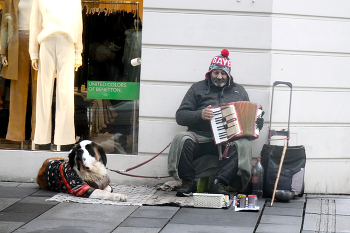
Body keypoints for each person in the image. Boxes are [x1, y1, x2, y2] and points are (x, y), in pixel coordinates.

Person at [169, 49, 264, 197]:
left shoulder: (239, 91)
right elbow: (180, 116)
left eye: (223, 73)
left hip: (228, 140)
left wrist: (257, 123)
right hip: (201, 137)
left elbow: (250, 123)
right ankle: (188, 182)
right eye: (216, 72)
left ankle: (219, 182)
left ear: (228, 74)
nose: (219, 77)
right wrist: (200, 115)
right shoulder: (197, 88)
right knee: (181, 139)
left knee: (244, 144)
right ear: (210, 73)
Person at [29, 0, 83, 148]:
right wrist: (33, 52)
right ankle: (41, 139)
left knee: (65, 93)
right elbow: (34, 24)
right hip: (46, 42)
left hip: (67, 42)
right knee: (43, 92)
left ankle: (64, 139)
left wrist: (78, 52)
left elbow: (78, 24)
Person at [0, 0, 37, 142]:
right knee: (17, 93)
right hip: (17, 43)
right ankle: (16, 135)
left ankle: (38, 136)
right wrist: (3, 52)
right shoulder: (11, 0)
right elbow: (4, 24)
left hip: (38, 43)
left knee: (39, 93)